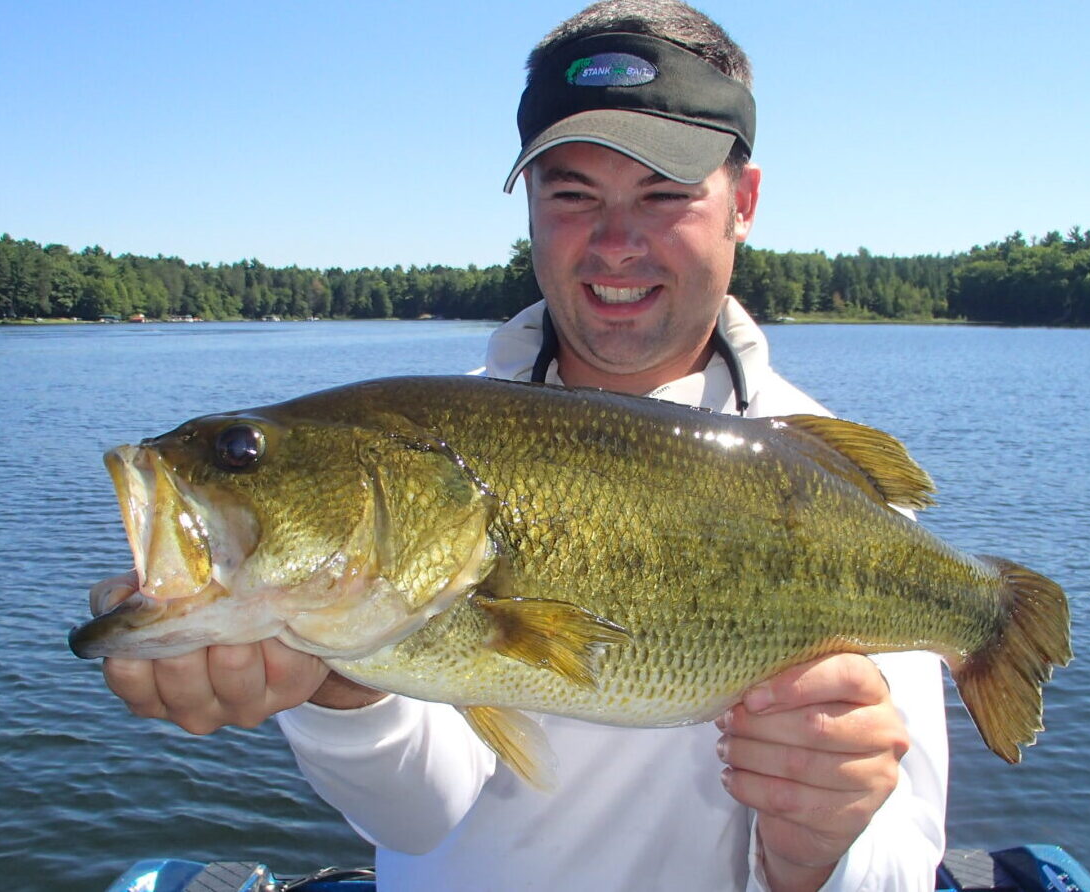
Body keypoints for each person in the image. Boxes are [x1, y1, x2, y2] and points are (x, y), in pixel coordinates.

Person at [93, 2, 948, 889]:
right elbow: (420, 816)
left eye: (664, 194)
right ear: (531, 206)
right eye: (573, 194)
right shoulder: (441, 449)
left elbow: (904, 865)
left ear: (746, 203)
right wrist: (338, 687)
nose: (617, 242)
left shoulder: (841, 501)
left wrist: (824, 848)